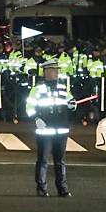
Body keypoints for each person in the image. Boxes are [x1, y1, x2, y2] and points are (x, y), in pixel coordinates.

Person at [26, 60, 76, 198]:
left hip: (61, 129)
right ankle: (41, 188)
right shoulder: (37, 89)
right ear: (46, 71)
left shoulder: (63, 88)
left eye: (57, 70)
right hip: (45, 130)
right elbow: (29, 108)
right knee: (43, 160)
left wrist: (73, 105)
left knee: (60, 161)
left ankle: (62, 189)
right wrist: (36, 119)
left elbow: (71, 103)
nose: (57, 72)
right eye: (54, 70)